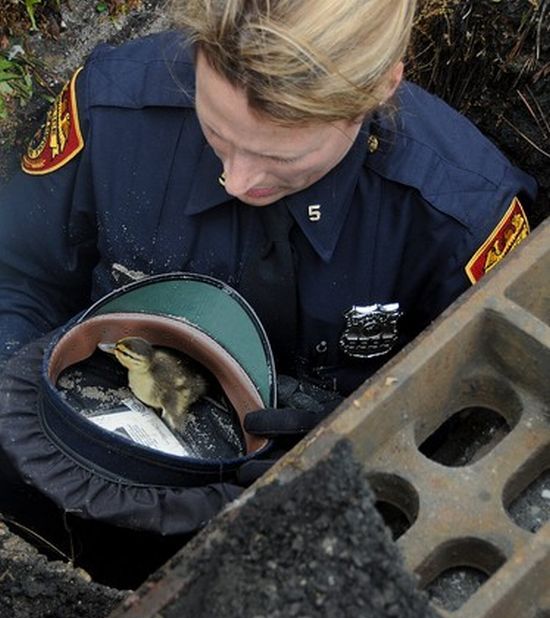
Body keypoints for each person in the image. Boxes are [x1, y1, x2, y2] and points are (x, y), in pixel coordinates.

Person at [0, 0, 538, 584]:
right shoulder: (115, 109)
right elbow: (18, 275)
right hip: (81, 452)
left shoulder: (461, 220)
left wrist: (346, 460)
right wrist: (39, 407)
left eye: (282, 159)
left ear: (380, 89)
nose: (238, 180)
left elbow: (478, 432)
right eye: (215, 131)